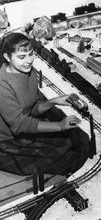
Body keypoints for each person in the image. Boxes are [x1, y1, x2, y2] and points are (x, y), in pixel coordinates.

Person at [0, 32, 90, 176]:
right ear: (7, 57)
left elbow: (32, 108)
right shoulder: (2, 85)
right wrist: (59, 126)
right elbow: (20, 125)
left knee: (79, 140)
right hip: (7, 139)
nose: (29, 60)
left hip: (24, 128)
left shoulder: (30, 72)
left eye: (31, 54)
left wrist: (55, 101)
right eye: (22, 57)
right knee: (60, 158)